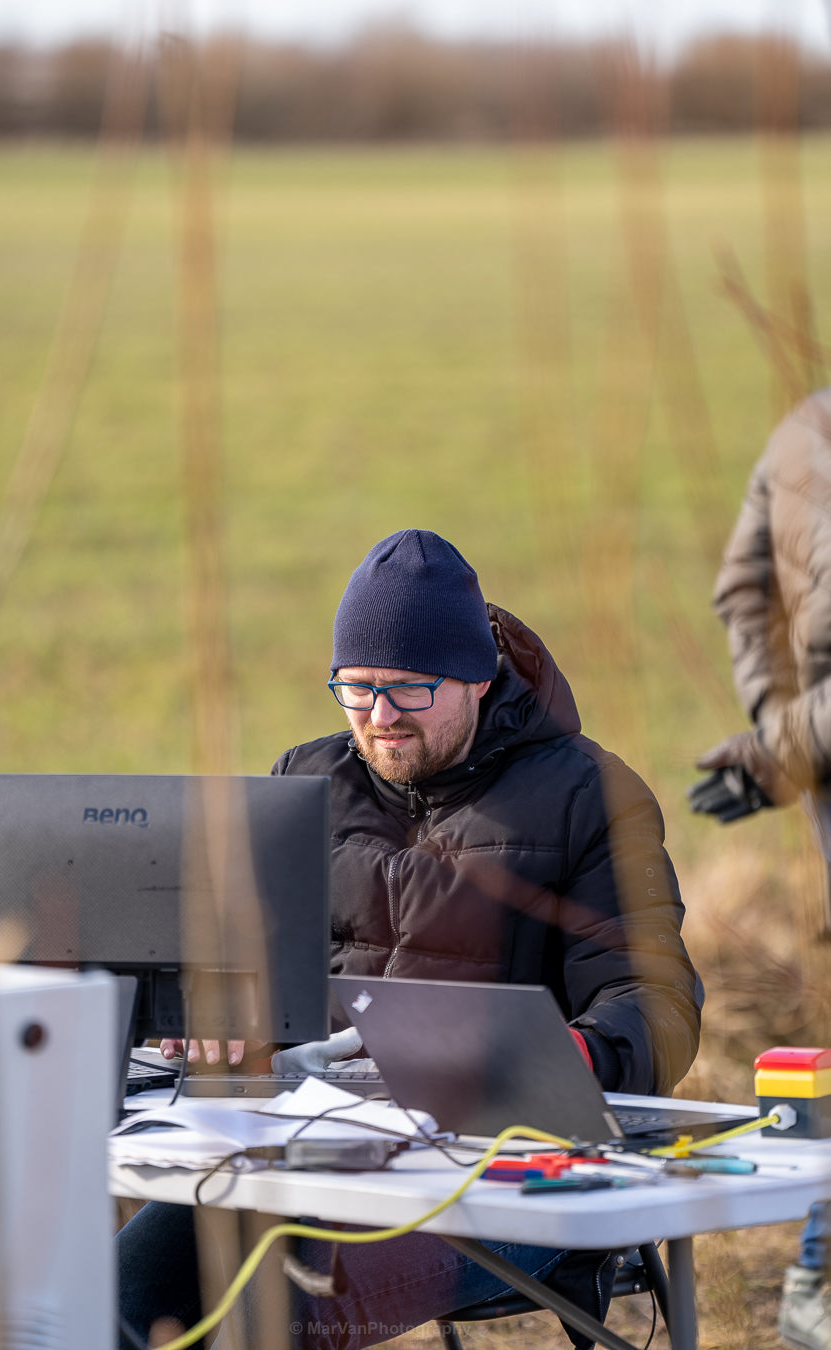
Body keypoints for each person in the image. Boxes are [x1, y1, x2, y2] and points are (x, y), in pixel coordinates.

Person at [119, 529, 702, 1350]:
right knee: (109, 1305)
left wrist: (575, 1053)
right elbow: (242, 959)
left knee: (269, 1317)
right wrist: (212, 1010)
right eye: (355, 691)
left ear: (479, 675)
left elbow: (658, 1001)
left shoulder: (592, 796)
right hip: (296, 1158)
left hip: (505, 1181)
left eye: (409, 690)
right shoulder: (306, 781)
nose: (380, 717)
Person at [691, 390, 831, 1350]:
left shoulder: (802, 429)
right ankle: (818, 1286)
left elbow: (743, 589)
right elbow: (746, 588)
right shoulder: (801, 436)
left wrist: (783, 741)